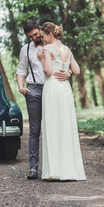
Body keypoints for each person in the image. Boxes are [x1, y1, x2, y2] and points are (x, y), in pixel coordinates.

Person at [16, 19, 71, 180]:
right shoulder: (26, 50)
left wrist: (68, 74)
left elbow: (67, 65)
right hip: (34, 90)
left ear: (39, 30)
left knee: (54, 128)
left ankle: (57, 167)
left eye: (35, 35)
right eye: (30, 37)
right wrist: (21, 87)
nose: (33, 39)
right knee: (34, 130)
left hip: (53, 88)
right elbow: (21, 70)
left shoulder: (56, 46)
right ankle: (33, 168)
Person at [37, 22, 86, 181]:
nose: (42, 40)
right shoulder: (67, 49)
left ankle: (55, 171)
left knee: (53, 126)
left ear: (50, 35)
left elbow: (48, 71)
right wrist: (68, 73)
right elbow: (77, 71)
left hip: (52, 89)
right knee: (66, 126)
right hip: (65, 89)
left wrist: (41, 59)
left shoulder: (47, 49)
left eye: (43, 37)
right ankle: (69, 170)